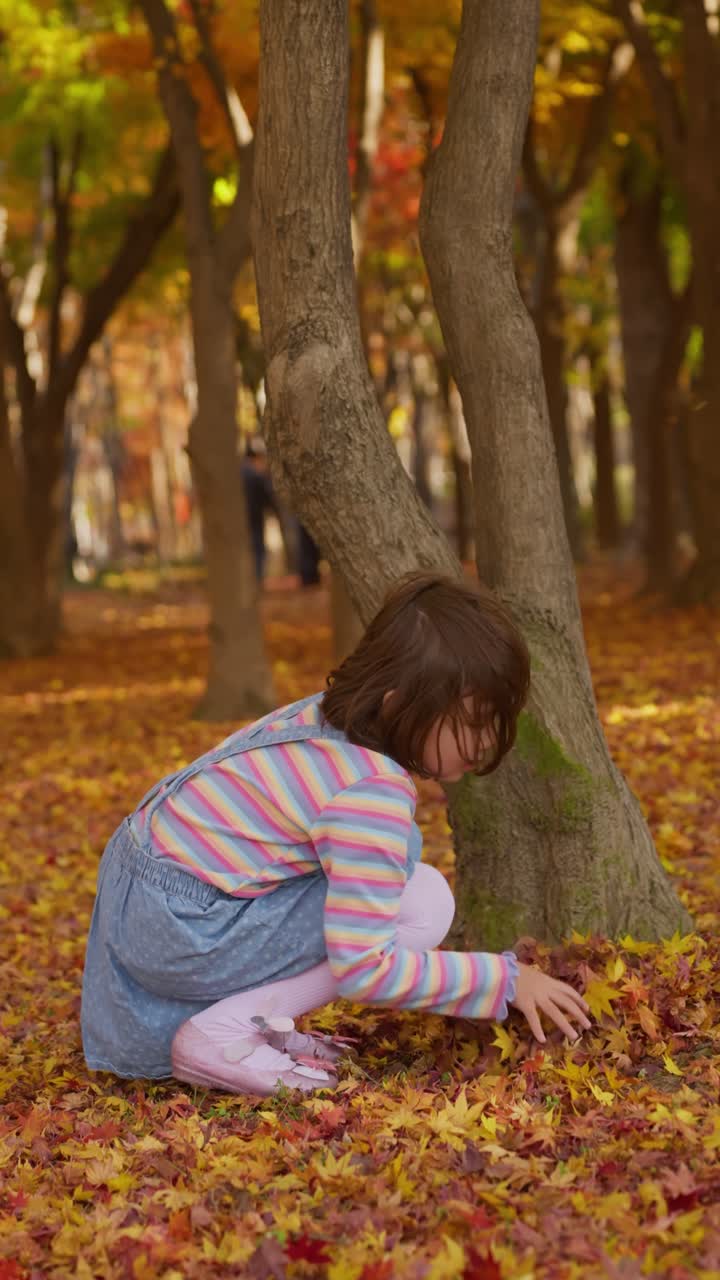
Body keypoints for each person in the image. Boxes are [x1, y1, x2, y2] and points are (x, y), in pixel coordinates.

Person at [80, 572, 592, 1097]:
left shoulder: (322, 722)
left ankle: (251, 1023)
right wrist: (503, 980)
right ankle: (223, 1032)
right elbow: (365, 969)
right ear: (399, 701)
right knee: (423, 900)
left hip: (146, 902)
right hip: (181, 925)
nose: (485, 742)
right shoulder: (371, 790)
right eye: (473, 721)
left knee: (394, 876)